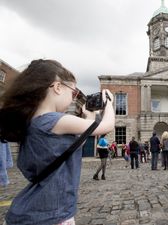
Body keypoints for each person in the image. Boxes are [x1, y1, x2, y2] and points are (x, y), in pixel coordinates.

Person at [0, 59, 115, 225]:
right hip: (52, 215)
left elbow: (76, 144)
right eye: (74, 93)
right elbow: (107, 125)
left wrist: (89, 115)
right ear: (58, 87)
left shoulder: (32, 123)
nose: (73, 99)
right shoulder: (55, 120)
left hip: (33, 210)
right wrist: (109, 103)